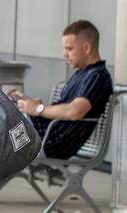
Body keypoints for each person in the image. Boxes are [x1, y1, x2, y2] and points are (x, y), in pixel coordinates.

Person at [10, 20, 113, 159]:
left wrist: (39, 109)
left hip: (48, 143)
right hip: (41, 134)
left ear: (87, 48)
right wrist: (35, 106)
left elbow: (75, 111)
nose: (64, 54)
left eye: (69, 49)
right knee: (1, 116)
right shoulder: (83, 73)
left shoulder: (97, 76)